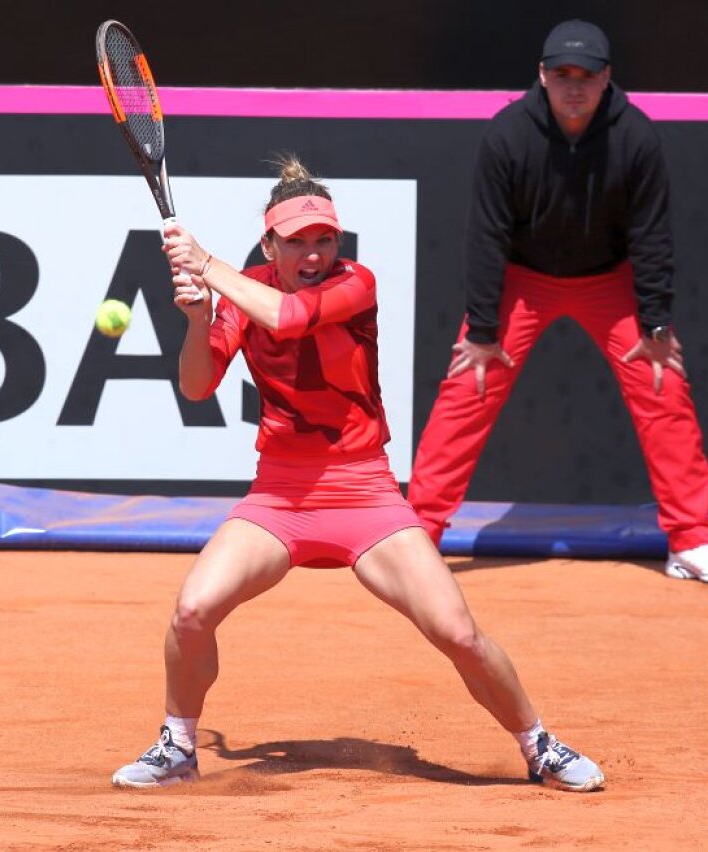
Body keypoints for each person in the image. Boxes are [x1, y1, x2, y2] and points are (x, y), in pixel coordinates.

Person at [111, 156, 604, 792]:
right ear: (271, 244)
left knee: (456, 631)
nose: (313, 254)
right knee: (191, 611)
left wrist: (209, 268)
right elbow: (198, 386)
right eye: (297, 242)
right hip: (279, 497)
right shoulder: (243, 290)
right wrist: (200, 317)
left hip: (365, 493)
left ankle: (540, 746)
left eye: (324, 240)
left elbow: (288, 318)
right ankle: (178, 746)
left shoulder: (357, 283)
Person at [408, 19, 708, 587]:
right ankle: (418, 537)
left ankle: (692, 541)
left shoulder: (636, 137)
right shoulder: (507, 136)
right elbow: (486, 235)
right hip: (522, 279)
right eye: (561, 75)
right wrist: (485, 328)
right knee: (471, 382)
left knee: (662, 384)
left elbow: (652, 234)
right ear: (541, 76)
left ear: (606, 79)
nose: (573, 87)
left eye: (585, 77)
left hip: (608, 282)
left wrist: (657, 319)